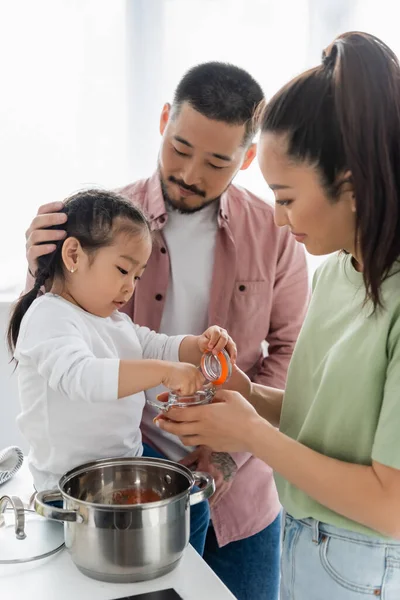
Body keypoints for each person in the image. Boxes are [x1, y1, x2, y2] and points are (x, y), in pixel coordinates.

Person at [24, 63, 309, 600]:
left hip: (243, 494)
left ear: (247, 158)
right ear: (163, 121)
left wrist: (226, 452)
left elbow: (290, 350)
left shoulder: (278, 232)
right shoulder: (105, 224)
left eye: (217, 161)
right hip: (137, 474)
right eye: (180, 148)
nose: (190, 173)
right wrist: (39, 261)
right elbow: (61, 326)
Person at [156, 32, 400, 599]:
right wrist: (248, 394)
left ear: (354, 186)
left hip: (363, 560)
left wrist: (247, 434)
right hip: (308, 539)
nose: (281, 222)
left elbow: (390, 505)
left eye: (286, 198)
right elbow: (329, 423)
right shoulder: (339, 271)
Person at [9, 188, 238, 556]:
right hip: (67, 493)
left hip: (120, 468)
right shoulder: (47, 315)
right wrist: (165, 372)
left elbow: (155, 345)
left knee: (192, 510)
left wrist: (198, 345)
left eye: (138, 276)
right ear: (73, 255)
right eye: (122, 270)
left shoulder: (112, 321)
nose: (130, 287)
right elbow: (84, 377)